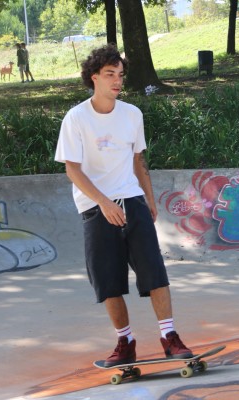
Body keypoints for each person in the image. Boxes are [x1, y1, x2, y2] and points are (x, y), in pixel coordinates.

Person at [54, 44, 193, 367]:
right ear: (94, 78)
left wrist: (150, 198)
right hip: (94, 206)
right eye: (109, 75)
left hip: (132, 200)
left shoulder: (132, 114)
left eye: (120, 75)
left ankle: (169, 337)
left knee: (153, 270)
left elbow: (137, 160)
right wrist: (102, 202)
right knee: (108, 280)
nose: (117, 81)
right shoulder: (76, 118)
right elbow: (72, 168)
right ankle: (125, 342)